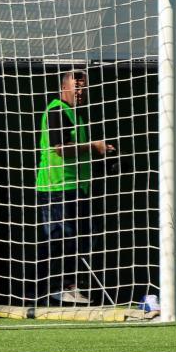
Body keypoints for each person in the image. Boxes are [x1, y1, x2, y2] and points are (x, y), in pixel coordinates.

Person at [35, 69, 113, 305]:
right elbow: (60, 148)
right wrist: (93, 146)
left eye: (84, 86)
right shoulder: (57, 109)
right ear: (64, 86)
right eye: (76, 85)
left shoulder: (76, 116)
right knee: (61, 238)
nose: (81, 91)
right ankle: (53, 288)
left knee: (86, 234)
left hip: (75, 187)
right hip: (56, 187)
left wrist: (102, 153)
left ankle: (68, 285)